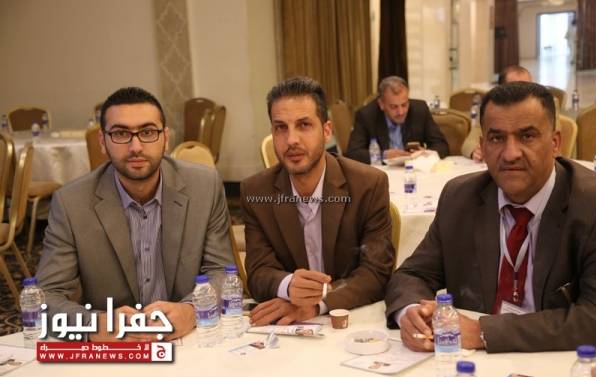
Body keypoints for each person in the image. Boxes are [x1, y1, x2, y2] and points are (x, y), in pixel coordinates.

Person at [385, 82, 596, 353]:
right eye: (497, 138)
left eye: (527, 136)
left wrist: (483, 332)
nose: (510, 154)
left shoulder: (592, 204)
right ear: (482, 146)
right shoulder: (460, 197)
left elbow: (595, 317)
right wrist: (412, 313)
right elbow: (412, 274)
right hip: (469, 364)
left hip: (558, 361)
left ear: (555, 143)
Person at [36, 87, 234, 341]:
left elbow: (222, 272)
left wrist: (192, 310)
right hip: (115, 347)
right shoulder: (71, 202)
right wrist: (93, 325)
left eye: (148, 132)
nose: (136, 146)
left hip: (189, 340)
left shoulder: (204, 187)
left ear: (165, 138)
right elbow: (44, 298)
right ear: (102, 141)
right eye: (120, 134)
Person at [242, 77, 395, 326]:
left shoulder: (368, 185)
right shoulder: (256, 191)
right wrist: (289, 285)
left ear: (326, 130)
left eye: (304, 125)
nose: (291, 140)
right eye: (281, 128)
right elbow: (258, 272)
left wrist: (316, 303)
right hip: (288, 328)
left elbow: (376, 273)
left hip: (350, 320)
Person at [345, 76, 449, 164]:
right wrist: (383, 155)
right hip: (382, 173)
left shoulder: (419, 110)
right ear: (381, 104)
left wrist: (427, 153)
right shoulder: (366, 115)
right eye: (394, 107)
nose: (401, 112)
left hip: (414, 170)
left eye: (404, 105)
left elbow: (441, 145)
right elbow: (352, 153)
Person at [461, 65, 533, 161]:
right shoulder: (492, 112)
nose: (523, 93)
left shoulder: (543, 109)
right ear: (501, 90)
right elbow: (469, 143)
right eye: (516, 88)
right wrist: (475, 151)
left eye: (528, 88)